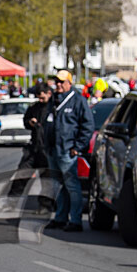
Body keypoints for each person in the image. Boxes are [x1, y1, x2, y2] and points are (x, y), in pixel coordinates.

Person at [45, 70, 93, 232]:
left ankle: (76, 220)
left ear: (69, 83)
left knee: (72, 186)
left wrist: (77, 147)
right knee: (58, 186)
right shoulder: (53, 100)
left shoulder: (78, 101)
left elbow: (87, 127)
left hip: (67, 151)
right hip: (53, 149)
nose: (58, 84)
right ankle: (60, 218)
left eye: (61, 82)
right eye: (56, 81)